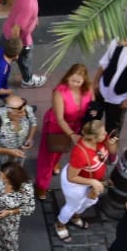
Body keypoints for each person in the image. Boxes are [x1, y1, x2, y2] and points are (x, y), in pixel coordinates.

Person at [35, 63, 92, 198]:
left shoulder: (87, 89)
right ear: (67, 78)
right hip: (57, 126)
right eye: (73, 80)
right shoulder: (59, 92)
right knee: (47, 156)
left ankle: (55, 164)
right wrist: (72, 134)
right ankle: (41, 185)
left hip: (76, 126)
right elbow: (60, 119)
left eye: (79, 81)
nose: (75, 84)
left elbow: (91, 106)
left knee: (62, 149)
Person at [55, 119, 116, 240]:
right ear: (93, 138)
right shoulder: (80, 153)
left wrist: (112, 142)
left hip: (92, 183)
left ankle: (75, 217)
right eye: (103, 133)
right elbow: (71, 177)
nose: (106, 134)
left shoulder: (101, 140)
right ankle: (60, 224)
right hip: (76, 185)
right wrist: (92, 182)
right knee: (72, 205)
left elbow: (113, 153)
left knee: (89, 201)